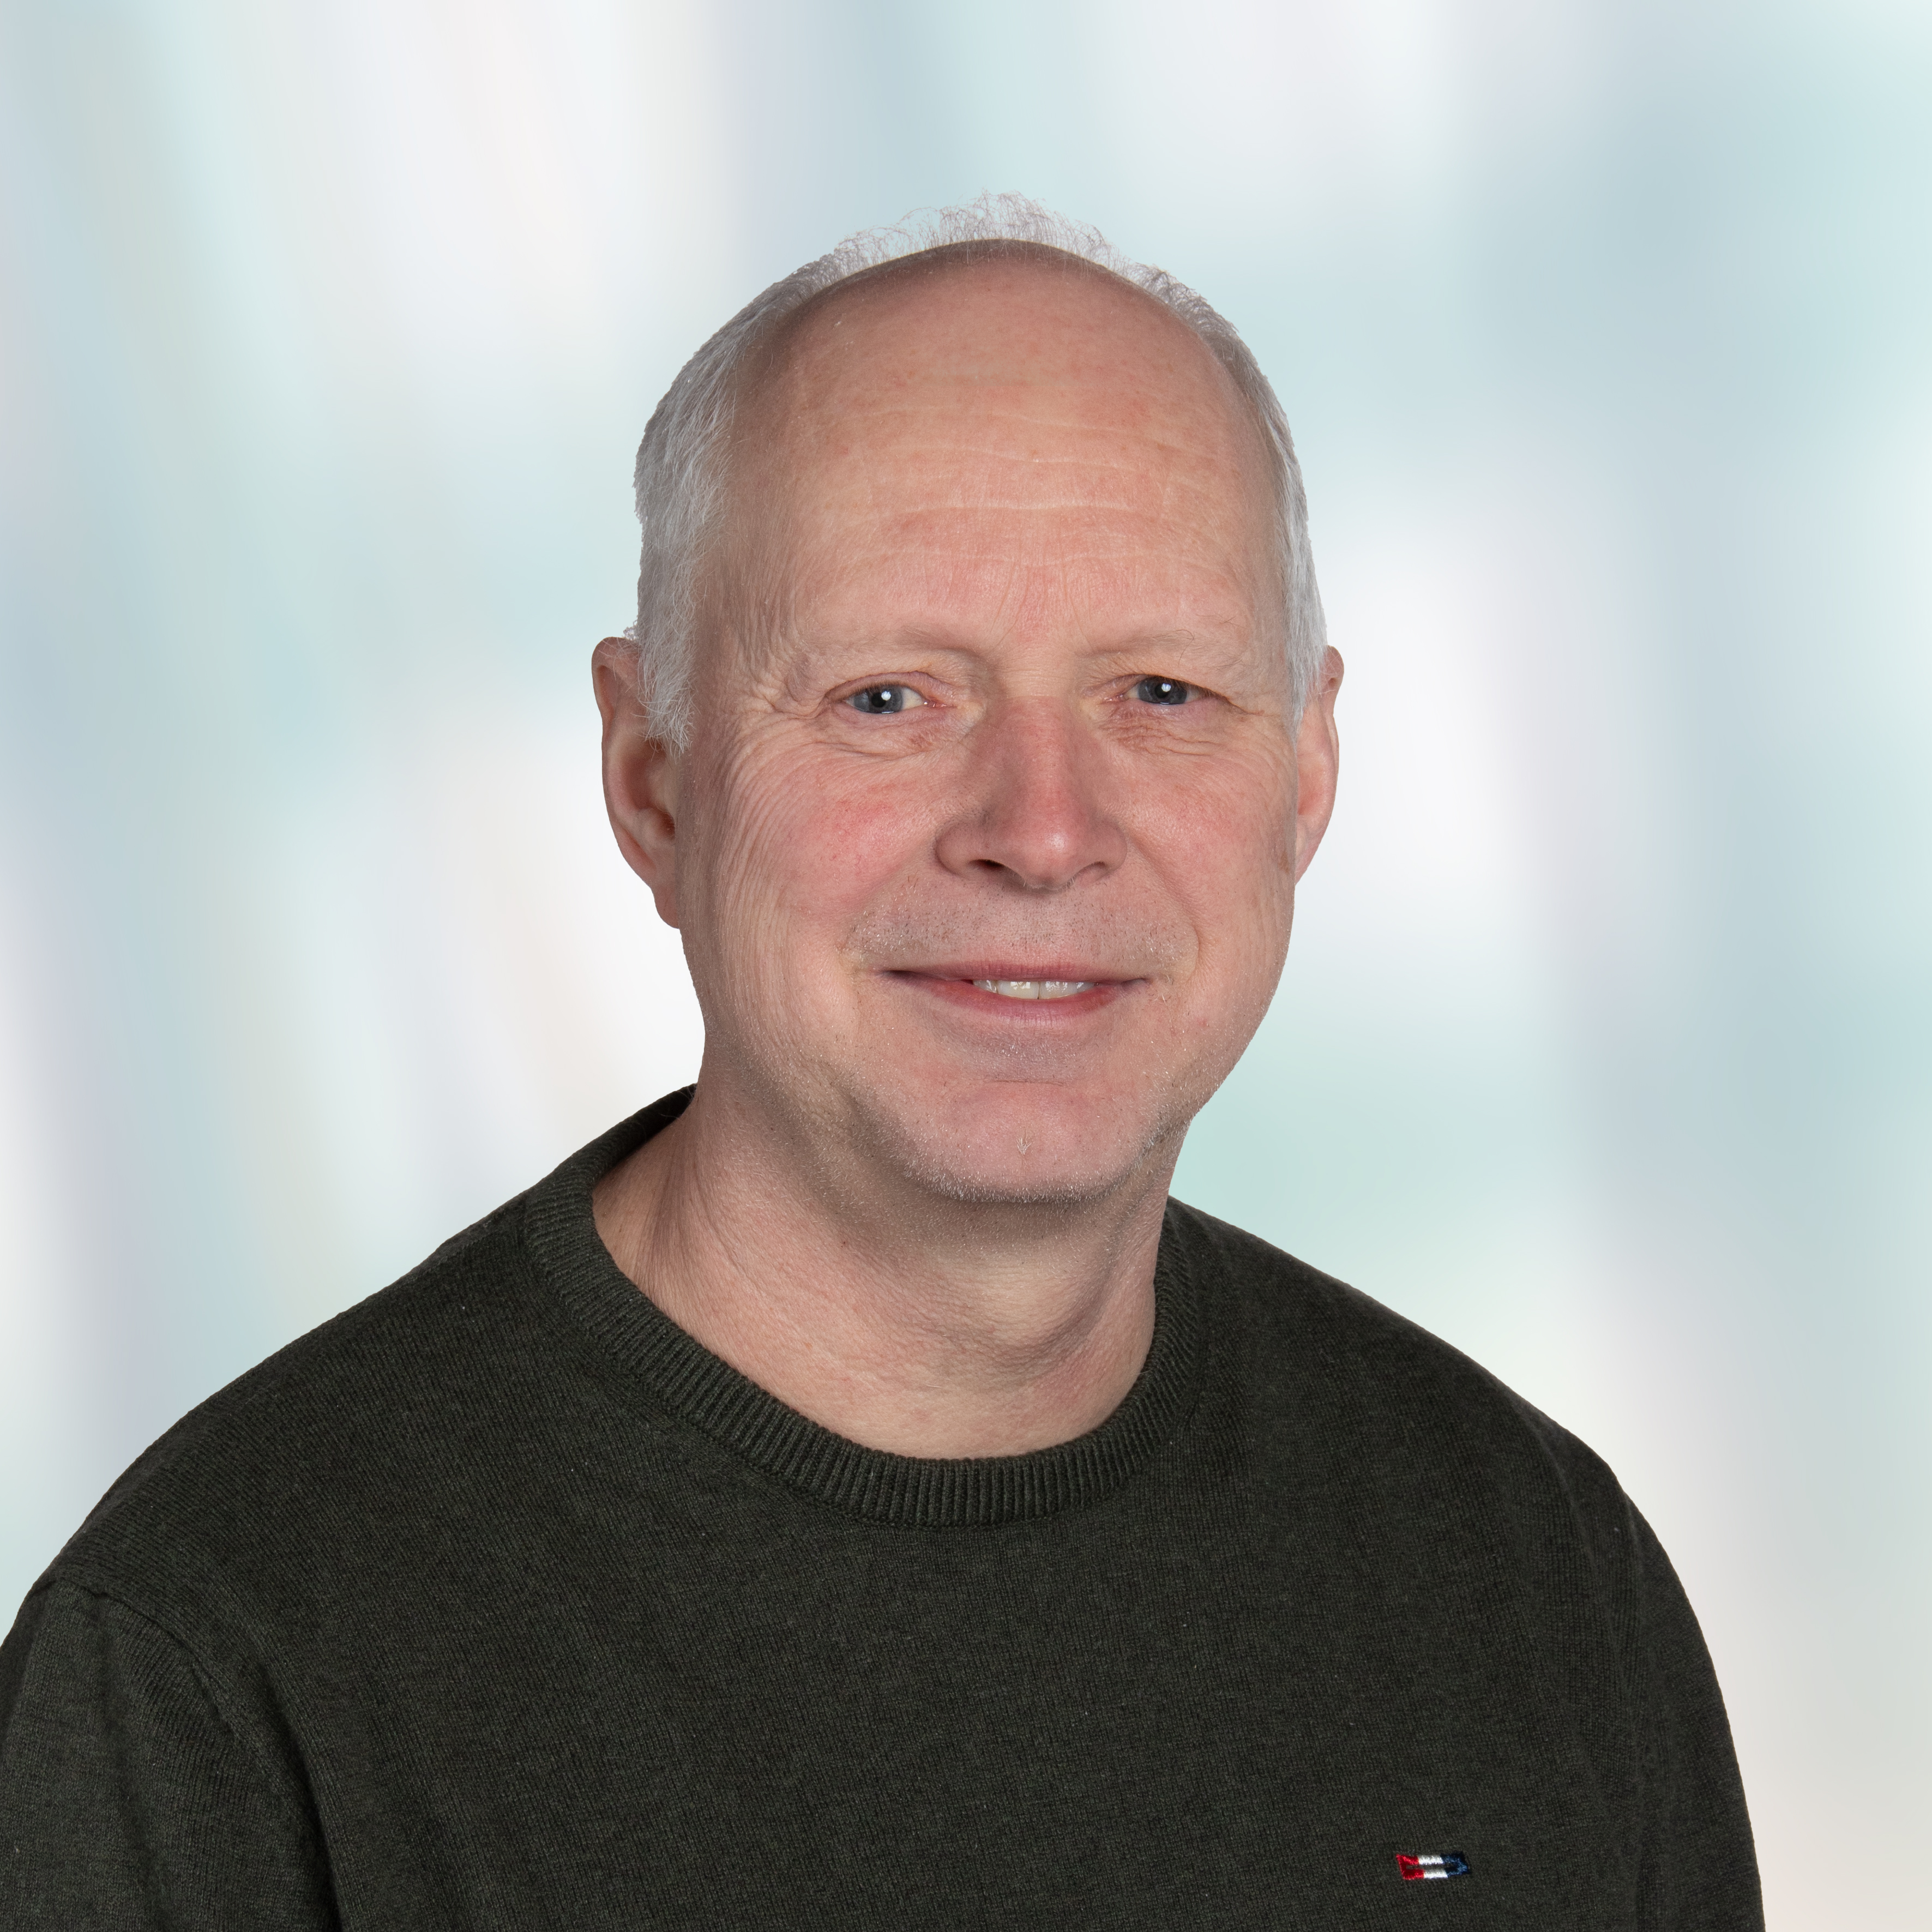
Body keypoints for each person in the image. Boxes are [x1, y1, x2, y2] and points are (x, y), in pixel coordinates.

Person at [0, 196, 1761, 1929]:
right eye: (889, 699)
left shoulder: (1532, 1568)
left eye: (1160, 692)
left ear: (1304, 779)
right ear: (653, 780)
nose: (1042, 832)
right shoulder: (218, 1676)